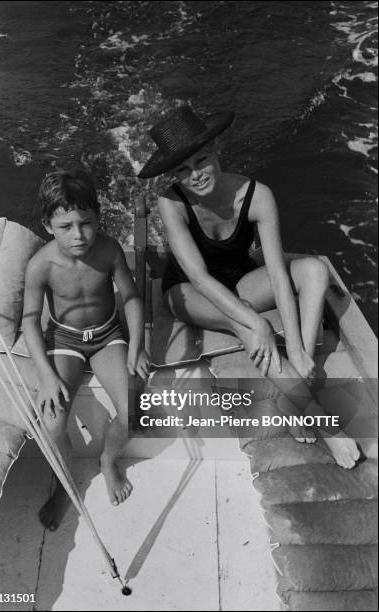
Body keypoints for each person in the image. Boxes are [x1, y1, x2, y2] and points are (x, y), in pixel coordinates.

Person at [138, 104, 360, 469]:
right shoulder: (170, 203)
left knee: (314, 271)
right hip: (189, 293)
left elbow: (277, 273)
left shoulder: (258, 196)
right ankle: (322, 422)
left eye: (201, 160)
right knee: (248, 327)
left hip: (240, 280)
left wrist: (298, 347)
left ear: (217, 151)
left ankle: (296, 384)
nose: (195, 175)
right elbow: (199, 277)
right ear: (173, 175)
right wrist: (256, 322)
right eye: (182, 169)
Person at [23, 169, 149, 530]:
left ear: (98, 217)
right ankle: (65, 484)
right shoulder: (40, 265)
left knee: (133, 409)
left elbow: (132, 297)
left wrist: (137, 348)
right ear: (48, 225)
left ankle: (108, 461)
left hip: (108, 334)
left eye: (86, 222)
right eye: (66, 226)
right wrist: (47, 377)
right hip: (65, 340)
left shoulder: (109, 249)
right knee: (51, 424)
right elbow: (31, 322)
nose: (78, 235)